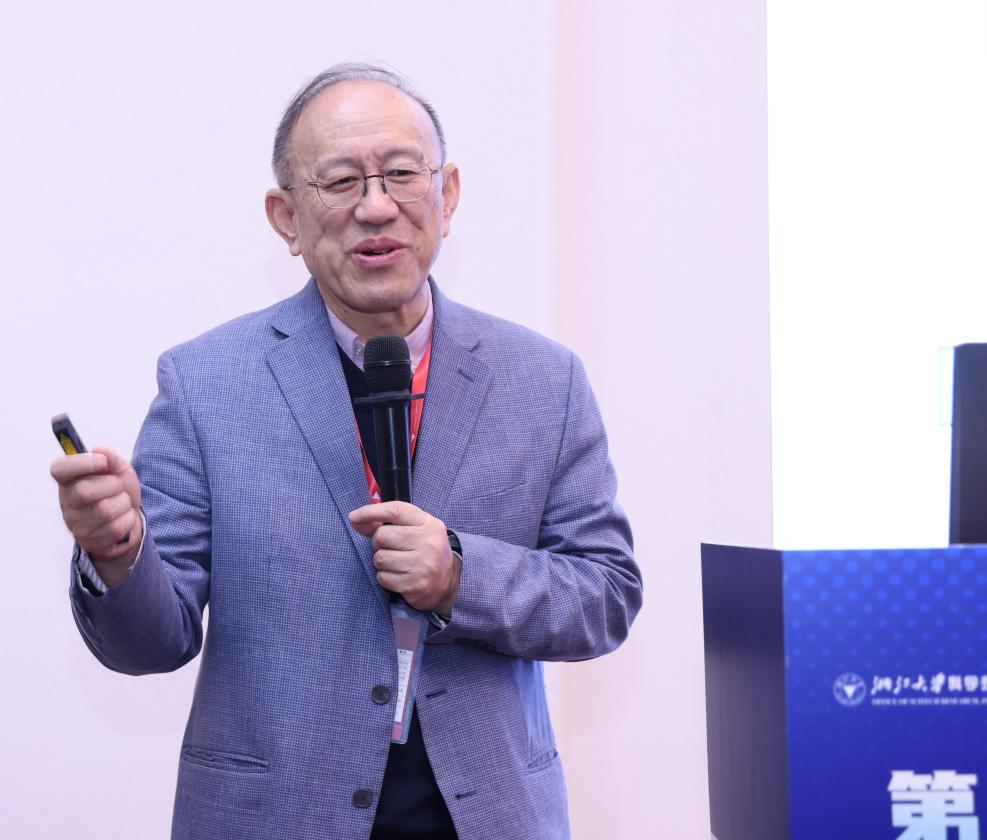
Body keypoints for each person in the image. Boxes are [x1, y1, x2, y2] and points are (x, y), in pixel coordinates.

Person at [51, 63, 642, 840]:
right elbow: (149, 644)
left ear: (447, 194)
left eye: (401, 174)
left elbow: (604, 595)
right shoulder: (206, 384)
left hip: (483, 817)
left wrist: (459, 575)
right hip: (277, 818)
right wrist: (118, 551)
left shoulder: (541, 379)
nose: (376, 206)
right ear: (286, 218)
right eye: (338, 181)